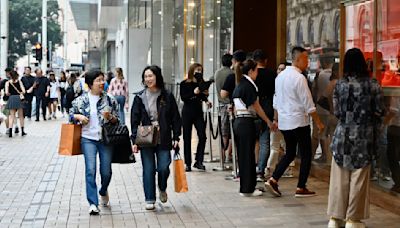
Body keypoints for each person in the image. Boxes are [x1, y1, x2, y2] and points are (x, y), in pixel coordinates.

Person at [327, 48, 385, 228]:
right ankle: (353, 219)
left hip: (342, 136)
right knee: (358, 179)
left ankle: (335, 219)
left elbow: (336, 111)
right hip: (363, 137)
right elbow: (379, 111)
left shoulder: (340, 85)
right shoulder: (373, 85)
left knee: (339, 179)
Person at [265, 46, 324, 198]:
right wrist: (318, 122)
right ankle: (301, 186)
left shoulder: (280, 77)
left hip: (285, 121)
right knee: (305, 154)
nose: (308, 61)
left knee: (290, 152)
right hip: (298, 121)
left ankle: (273, 179)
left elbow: (276, 101)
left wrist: (277, 119)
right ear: (297, 59)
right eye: (305, 58)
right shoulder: (299, 78)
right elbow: (308, 103)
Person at [130, 65, 181, 210]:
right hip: (146, 136)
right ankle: (149, 198)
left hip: (164, 136)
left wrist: (176, 136)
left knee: (164, 167)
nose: (148, 79)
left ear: (157, 76)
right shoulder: (139, 97)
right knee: (149, 168)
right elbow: (134, 120)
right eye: (146, 76)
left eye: (151, 76)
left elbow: (175, 117)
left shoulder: (167, 95)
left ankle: (162, 187)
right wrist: (134, 140)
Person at [69, 69, 120, 215]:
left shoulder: (110, 99)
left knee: (106, 171)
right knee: (90, 170)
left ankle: (103, 190)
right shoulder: (80, 100)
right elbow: (70, 116)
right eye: (98, 80)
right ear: (90, 84)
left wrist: (110, 117)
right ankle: (92, 203)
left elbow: (118, 120)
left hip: (106, 139)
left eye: (102, 79)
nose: (101, 83)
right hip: (88, 139)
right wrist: (78, 117)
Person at [232, 59, 275, 197]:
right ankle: (247, 188)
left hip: (239, 122)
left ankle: (246, 186)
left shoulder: (240, 84)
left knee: (243, 155)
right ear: (250, 71)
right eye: (256, 70)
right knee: (248, 156)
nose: (258, 73)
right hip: (246, 122)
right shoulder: (248, 86)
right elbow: (256, 106)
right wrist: (268, 120)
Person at [180, 63, 211, 172]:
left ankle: (199, 161)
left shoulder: (200, 83)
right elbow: (184, 98)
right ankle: (187, 163)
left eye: (200, 70)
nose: (199, 72)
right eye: (197, 70)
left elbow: (202, 96)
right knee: (187, 138)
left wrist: (206, 99)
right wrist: (194, 93)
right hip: (187, 112)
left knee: (202, 136)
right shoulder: (184, 83)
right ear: (192, 70)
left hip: (198, 112)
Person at [252, 49, 277, 181]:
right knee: (265, 140)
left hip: (253, 106)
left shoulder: (251, 74)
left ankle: (251, 167)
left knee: (252, 140)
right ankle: (261, 169)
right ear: (265, 60)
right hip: (268, 106)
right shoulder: (272, 74)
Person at [210, 53, 233, 162]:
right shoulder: (232, 73)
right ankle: (229, 155)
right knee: (231, 132)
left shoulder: (217, 73)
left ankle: (222, 156)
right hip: (231, 106)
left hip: (220, 105)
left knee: (223, 132)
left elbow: (210, 80)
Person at [311, 56, 334, 163]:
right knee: (329, 134)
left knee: (319, 134)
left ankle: (318, 155)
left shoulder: (319, 75)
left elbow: (314, 91)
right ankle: (328, 157)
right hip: (333, 110)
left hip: (320, 109)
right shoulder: (336, 77)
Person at [384, 96, 400, 193]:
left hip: (395, 128)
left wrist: (383, 123)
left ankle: (398, 183)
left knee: (392, 156)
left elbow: (393, 111)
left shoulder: (396, 93)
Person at [5, 71, 27, 137]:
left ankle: (10, 132)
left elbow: (6, 93)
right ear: (17, 75)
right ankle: (22, 131)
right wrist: (20, 92)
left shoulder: (7, 82)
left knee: (11, 116)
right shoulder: (19, 82)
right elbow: (24, 91)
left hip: (11, 98)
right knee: (21, 116)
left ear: (10, 76)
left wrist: (10, 93)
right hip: (18, 98)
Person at [0, 68, 12, 135]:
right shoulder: (16, 81)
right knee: (11, 115)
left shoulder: (5, 81)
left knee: (5, 115)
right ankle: (13, 127)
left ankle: (8, 129)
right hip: (13, 100)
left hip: (6, 100)